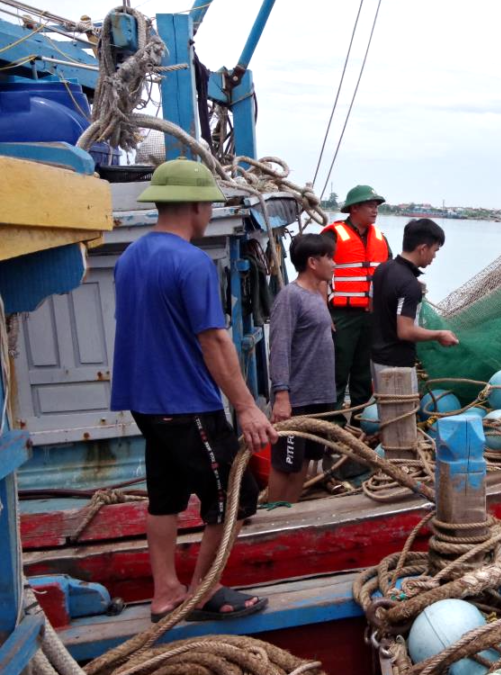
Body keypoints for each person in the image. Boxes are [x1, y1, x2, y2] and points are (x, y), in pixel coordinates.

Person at [110, 158, 276, 622]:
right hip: (186, 404)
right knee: (236, 497)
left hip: (144, 402)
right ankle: (205, 591)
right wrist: (246, 408)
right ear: (198, 206)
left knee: (165, 497)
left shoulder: (130, 257)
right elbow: (214, 339)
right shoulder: (192, 262)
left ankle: (165, 593)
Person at [267, 234, 337, 503]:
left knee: (306, 460)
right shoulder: (290, 297)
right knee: (286, 462)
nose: (333, 264)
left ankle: (290, 512)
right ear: (312, 262)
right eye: (329, 258)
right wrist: (282, 395)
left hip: (320, 395)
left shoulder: (317, 295)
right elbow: (280, 347)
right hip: (298, 398)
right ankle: (274, 516)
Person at [321, 185, 392, 413]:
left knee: (363, 372)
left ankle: (363, 421)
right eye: (370, 205)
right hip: (341, 315)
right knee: (337, 371)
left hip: (370, 316)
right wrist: (324, 314)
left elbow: (388, 274)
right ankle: (333, 424)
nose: (375, 210)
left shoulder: (381, 238)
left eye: (377, 206)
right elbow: (318, 276)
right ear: (354, 208)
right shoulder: (333, 235)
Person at [370, 219, 458, 393]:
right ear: (423, 248)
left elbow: (374, 307)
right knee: (401, 418)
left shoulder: (382, 269)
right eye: (435, 250)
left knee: (386, 416)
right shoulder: (409, 284)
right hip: (397, 366)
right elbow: (405, 331)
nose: (434, 256)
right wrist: (439, 334)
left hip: (376, 358)